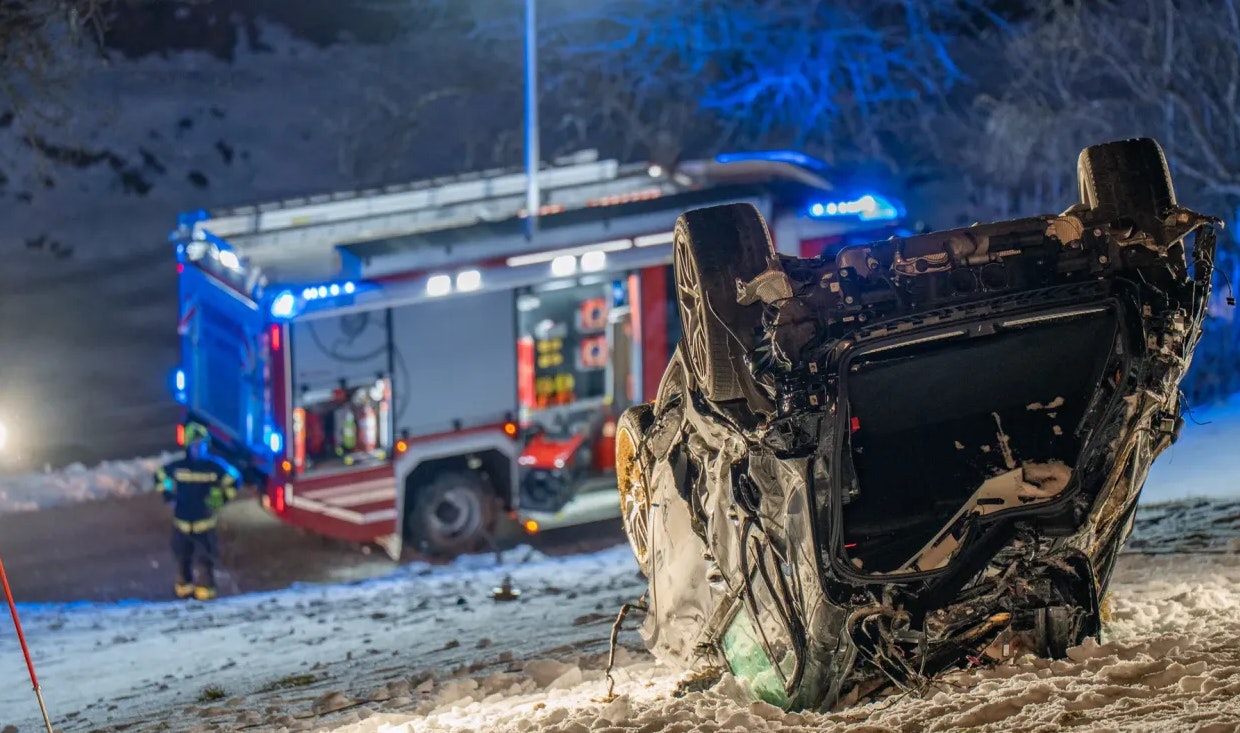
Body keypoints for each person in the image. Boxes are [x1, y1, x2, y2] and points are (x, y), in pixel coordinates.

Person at [155, 424, 239, 600]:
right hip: (182, 524)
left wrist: (220, 499)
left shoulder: (214, 467)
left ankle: (206, 593)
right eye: (194, 445)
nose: (198, 449)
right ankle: (183, 593)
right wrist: (168, 495)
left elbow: (234, 480)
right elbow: (160, 475)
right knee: (182, 560)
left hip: (204, 525)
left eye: (201, 445)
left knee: (205, 561)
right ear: (187, 446)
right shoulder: (179, 467)